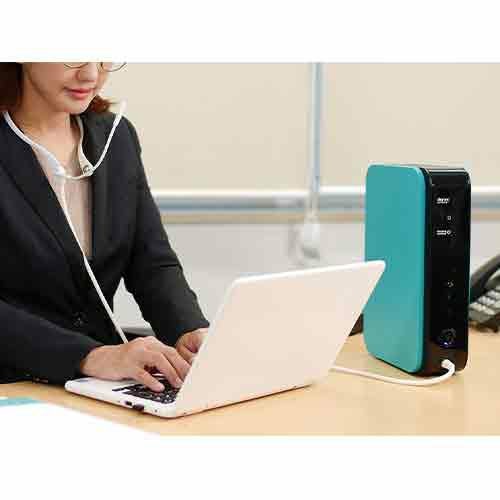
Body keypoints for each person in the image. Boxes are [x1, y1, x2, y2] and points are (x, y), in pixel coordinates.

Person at [0, 62, 209, 392]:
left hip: (101, 386)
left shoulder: (116, 135)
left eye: (103, 58)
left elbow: (152, 263)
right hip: (14, 384)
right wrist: (89, 356)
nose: (91, 75)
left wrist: (188, 330)